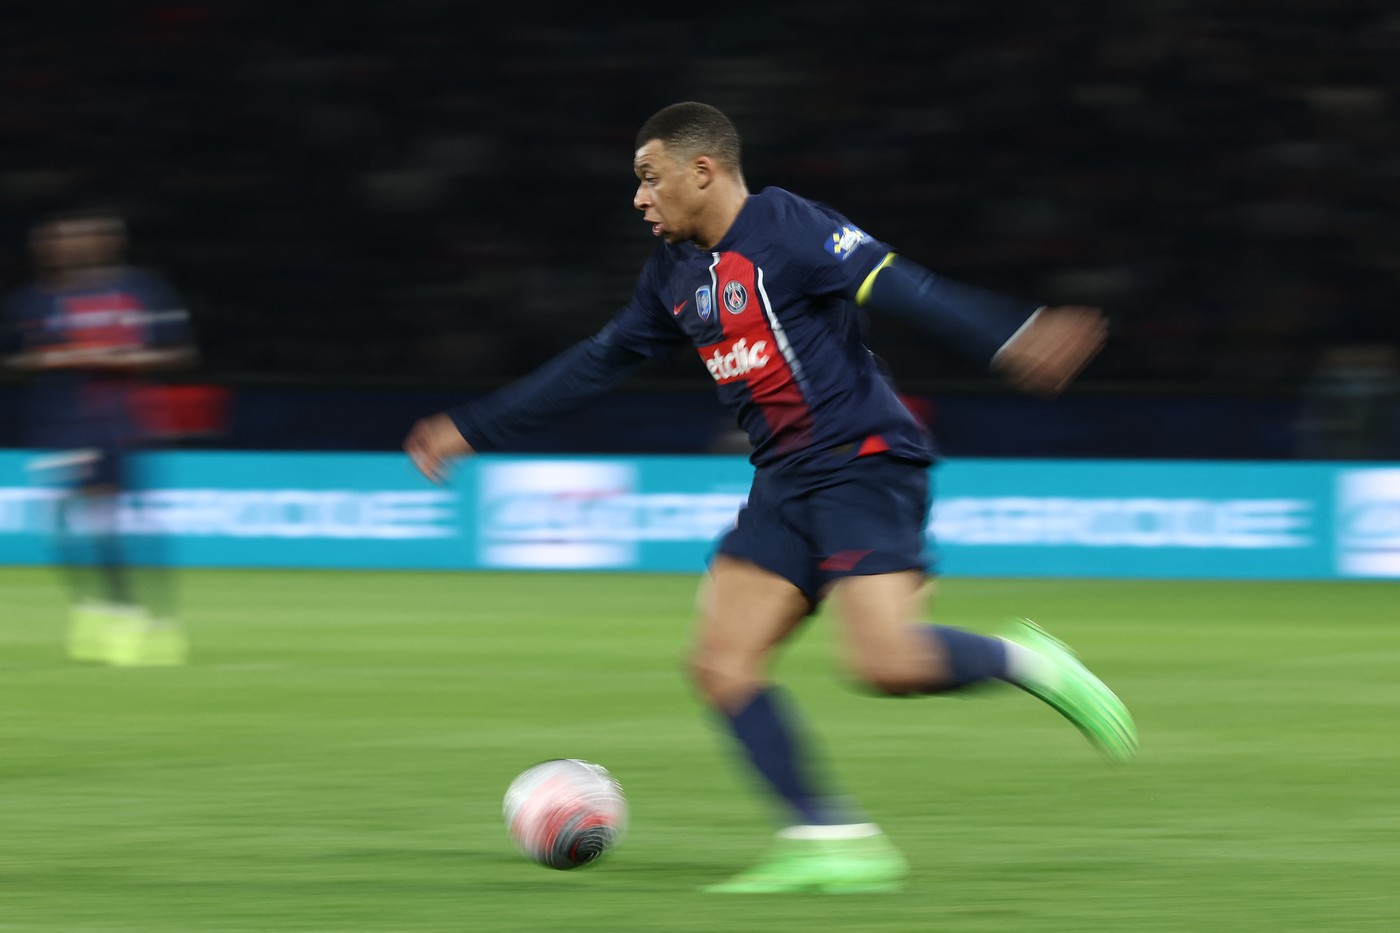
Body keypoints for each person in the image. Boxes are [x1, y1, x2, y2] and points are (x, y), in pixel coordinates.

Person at [404, 102, 1136, 892]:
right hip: (784, 480)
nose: (640, 199)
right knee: (721, 665)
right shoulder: (673, 279)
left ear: (703, 171)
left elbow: (903, 287)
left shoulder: (788, 227)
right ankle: (833, 838)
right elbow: (595, 362)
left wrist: (1012, 334)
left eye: (650, 179)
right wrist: (474, 425)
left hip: (863, 461)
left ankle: (1030, 662)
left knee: (886, 663)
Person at [2, 207, 199, 666]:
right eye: (57, 240)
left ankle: (139, 616)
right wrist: (44, 362)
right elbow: (12, 359)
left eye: (81, 238)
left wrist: (121, 358)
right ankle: (100, 607)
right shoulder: (30, 301)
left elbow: (180, 353)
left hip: (120, 424)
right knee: (64, 524)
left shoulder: (139, 291)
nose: (69, 247)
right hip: (55, 423)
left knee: (113, 519)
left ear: (107, 243)